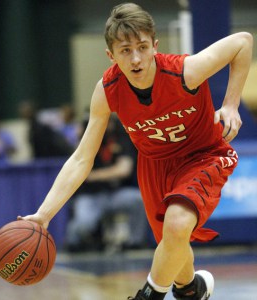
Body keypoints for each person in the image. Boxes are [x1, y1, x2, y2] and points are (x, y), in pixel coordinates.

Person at [18, 3, 253, 299]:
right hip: (154, 166)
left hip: (202, 156)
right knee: (173, 247)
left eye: (142, 47)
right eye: (126, 50)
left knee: (177, 224)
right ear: (111, 55)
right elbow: (82, 158)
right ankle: (192, 288)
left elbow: (243, 41)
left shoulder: (185, 72)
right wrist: (43, 214)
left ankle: (148, 295)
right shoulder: (107, 91)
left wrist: (231, 104)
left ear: (155, 45)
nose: (137, 58)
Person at [65, 114, 147, 252]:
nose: (107, 126)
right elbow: (78, 171)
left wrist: (94, 176)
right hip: (91, 196)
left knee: (138, 200)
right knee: (83, 224)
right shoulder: (86, 142)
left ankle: (134, 242)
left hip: (113, 194)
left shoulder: (120, 140)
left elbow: (123, 170)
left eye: (109, 123)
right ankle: (74, 243)